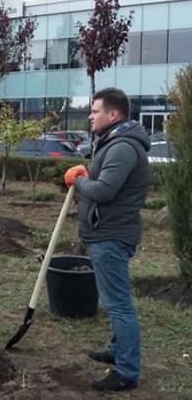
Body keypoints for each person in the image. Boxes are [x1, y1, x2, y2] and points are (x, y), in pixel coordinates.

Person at [64, 87, 150, 392]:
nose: (90, 115)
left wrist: (80, 179)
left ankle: (126, 371)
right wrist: (87, 173)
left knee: (119, 305)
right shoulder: (113, 142)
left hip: (111, 236)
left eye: (95, 110)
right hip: (108, 233)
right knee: (115, 301)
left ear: (113, 114)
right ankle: (116, 350)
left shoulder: (122, 147)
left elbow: (104, 191)